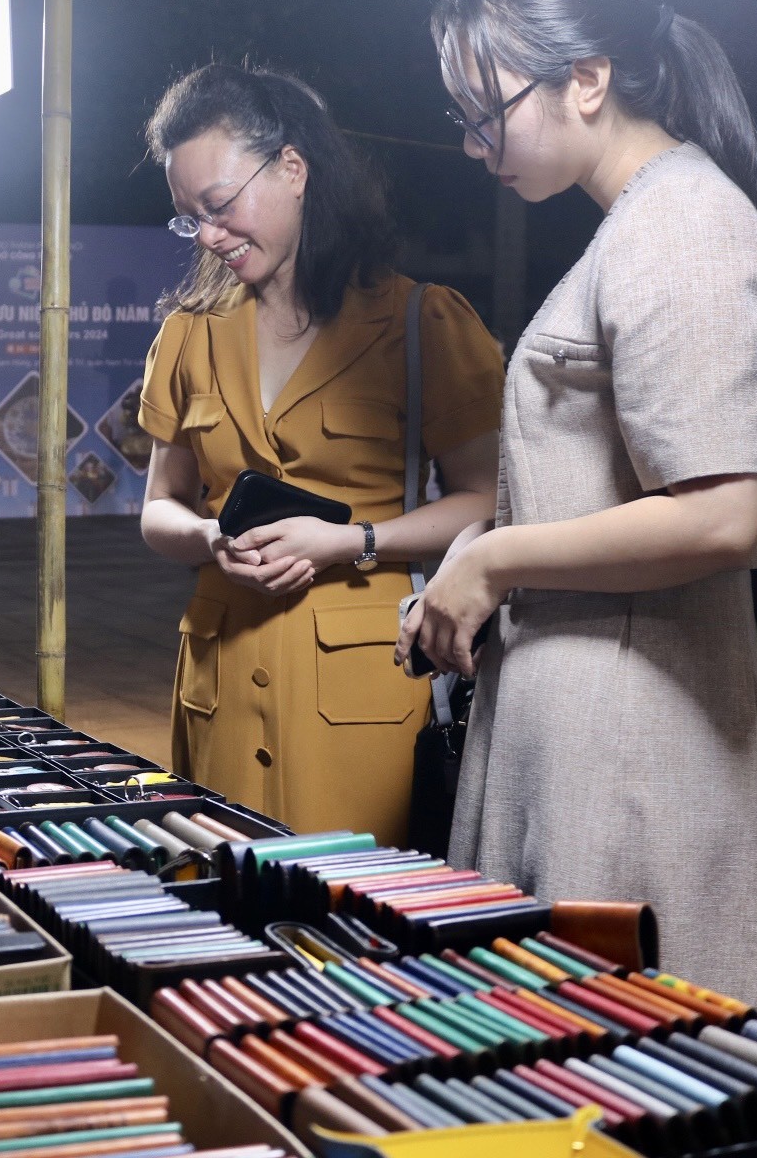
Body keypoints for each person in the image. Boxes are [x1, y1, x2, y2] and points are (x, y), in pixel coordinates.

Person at [407, 0, 757, 1021]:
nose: (471, 143)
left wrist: (492, 552)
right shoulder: (641, 221)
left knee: (631, 1061)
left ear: (588, 78)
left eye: (485, 109)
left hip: (638, 742)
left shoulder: (680, 223)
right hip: (600, 721)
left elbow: (722, 510)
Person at [137, 64, 504, 843]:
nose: (207, 234)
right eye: (188, 218)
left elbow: (489, 500)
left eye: (220, 205)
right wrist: (210, 538)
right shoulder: (187, 332)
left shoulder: (419, 323)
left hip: (367, 693)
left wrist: (354, 540)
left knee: (362, 931)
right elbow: (159, 508)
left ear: (294, 169)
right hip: (219, 687)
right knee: (224, 922)